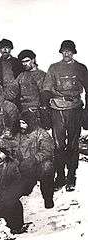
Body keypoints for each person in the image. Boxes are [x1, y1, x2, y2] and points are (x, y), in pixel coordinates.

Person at [42, 40, 88, 191]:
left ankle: (71, 176)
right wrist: (45, 108)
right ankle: (60, 176)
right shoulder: (54, 68)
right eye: (64, 51)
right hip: (57, 109)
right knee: (58, 145)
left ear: (73, 52)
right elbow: (47, 89)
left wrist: (86, 112)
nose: (66, 53)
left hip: (75, 109)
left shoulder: (80, 68)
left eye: (69, 51)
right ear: (61, 52)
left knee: (73, 144)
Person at [12, 111, 55, 208]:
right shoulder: (16, 134)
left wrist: (34, 159)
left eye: (24, 123)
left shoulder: (41, 134)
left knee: (47, 167)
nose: (21, 126)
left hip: (36, 166)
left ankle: (48, 199)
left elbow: (47, 151)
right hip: (21, 168)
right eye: (20, 123)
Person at [15, 50, 51, 129]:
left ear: (33, 60)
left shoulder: (42, 75)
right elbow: (12, 91)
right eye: (23, 62)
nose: (24, 64)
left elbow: (44, 97)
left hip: (37, 114)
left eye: (27, 61)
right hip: (23, 113)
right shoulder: (21, 76)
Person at [0, 39, 23, 105]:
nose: (5, 49)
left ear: (11, 49)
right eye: (2, 47)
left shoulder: (18, 63)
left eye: (7, 47)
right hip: (1, 98)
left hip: (17, 98)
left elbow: (23, 80)